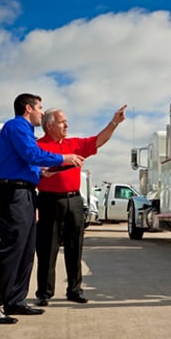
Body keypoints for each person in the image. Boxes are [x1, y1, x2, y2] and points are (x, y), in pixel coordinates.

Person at [0, 93, 85, 324]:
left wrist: (41, 174)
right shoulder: (16, 125)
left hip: (25, 193)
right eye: (40, 108)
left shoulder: (26, 130)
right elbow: (31, 154)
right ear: (28, 108)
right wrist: (63, 158)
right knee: (13, 248)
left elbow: (28, 164)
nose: (41, 112)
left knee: (27, 250)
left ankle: (15, 300)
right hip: (12, 193)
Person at [34, 103, 127, 306]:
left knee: (75, 247)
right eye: (62, 122)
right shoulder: (37, 147)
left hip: (74, 200)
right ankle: (44, 292)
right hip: (49, 201)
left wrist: (114, 122)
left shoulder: (73, 143)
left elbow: (98, 140)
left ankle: (74, 290)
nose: (67, 125)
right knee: (47, 249)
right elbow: (36, 169)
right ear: (49, 126)